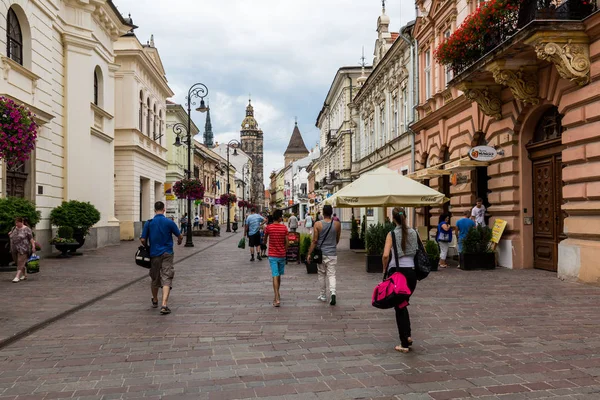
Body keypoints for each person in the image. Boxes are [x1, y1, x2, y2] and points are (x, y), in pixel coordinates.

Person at [381, 207, 419, 353]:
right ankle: (407, 336)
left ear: (393, 218)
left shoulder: (391, 234)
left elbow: (385, 255)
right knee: (402, 304)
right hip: (412, 274)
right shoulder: (414, 232)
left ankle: (404, 343)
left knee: (399, 307)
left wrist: (384, 269)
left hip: (398, 274)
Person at [141, 201, 183, 315]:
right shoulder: (169, 222)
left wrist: (147, 247)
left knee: (155, 278)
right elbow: (179, 235)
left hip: (154, 253)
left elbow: (143, 239)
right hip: (167, 253)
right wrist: (179, 240)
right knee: (167, 276)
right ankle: (164, 305)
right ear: (164, 209)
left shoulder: (149, 223)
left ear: (154, 210)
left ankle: (155, 300)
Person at [307, 205, 341, 306]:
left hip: (321, 253)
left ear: (323, 212)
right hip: (332, 253)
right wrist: (332, 246)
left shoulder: (317, 224)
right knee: (332, 274)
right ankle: (333, 293)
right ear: (331, 212)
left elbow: (315, 240)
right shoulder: (337, 224)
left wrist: (309, 253)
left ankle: (323, 295)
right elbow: (337, 238)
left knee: (322, 274)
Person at [264, 210, 289, 307]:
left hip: (272, 255)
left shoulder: (269, 228)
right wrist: (285, 250)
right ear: (279, 218)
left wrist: (265, 242)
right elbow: (287, 242)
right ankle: (277, 294)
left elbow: (265, 239)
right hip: (281, 255)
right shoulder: (284, 228)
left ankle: (277, 298)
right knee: (278, 275)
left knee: (275, 274)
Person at [9, 217, 36, 283]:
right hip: (14, 248)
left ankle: (17, 276)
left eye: (18, 223)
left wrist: (33, 246)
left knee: (20, 261)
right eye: (16, 222)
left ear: (22, 222)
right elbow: (11, 236)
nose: (16, 224)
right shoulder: (13, 228)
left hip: (23, 248)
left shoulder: (27, 229)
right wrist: (10, 234)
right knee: (17, 262)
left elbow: (31, 239)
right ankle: (24, 275)